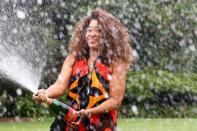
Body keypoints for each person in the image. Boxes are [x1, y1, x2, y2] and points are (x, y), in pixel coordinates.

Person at [33, 8, 133, 131]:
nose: (92, 34)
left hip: (101, 126)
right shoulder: (73, 58)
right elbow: (60, 85)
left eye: (98, 30)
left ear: (107, 34)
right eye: (89, 30)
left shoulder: (117, 63)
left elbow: (115, 100)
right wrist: (45, 93)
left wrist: (89, 112)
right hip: (69, 123)